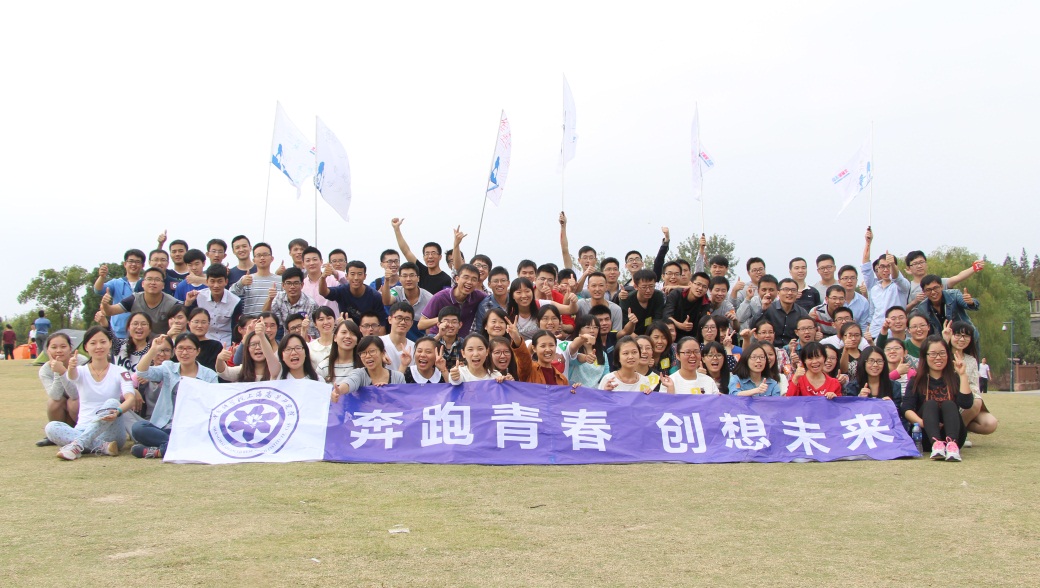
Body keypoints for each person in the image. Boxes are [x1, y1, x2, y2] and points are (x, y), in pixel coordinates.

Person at [43, 327, 136, 460]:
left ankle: (78, 444)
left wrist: (118, 411)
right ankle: (102, 447)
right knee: (51, 427)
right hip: (83, 428)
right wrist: (69, 368)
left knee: (112, 402)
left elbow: (130, 398)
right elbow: (72, 376)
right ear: (86, 347)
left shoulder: (120, 371)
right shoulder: (80, 370)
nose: (98, 347)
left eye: (103, 342)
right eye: (93, 343)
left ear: (110, 343)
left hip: (111, 432)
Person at [130, 333, 219, 458]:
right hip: (165, 426)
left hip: (193, 428)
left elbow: (213, 405)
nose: (184, 353)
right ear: (175, 351)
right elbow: (142, 372)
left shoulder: (209, 375)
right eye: (180, 348)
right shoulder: (168, 368)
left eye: (189, 348)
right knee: (138, 428)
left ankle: (158, 451)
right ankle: (178, 446)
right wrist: (153, 350)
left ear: (198, 351)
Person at [901, 336, 974, 461]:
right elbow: (906, 409)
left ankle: (952, 446)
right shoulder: (917, 381)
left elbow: (966, 403)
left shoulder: (954, 378)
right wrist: (924, 423)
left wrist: (962, 375)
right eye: (933, 354)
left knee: (949, 404)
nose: (938, 358)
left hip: (954, 433)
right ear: (925, 356)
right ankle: (937, 445)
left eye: (942, 353)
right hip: (926, 434)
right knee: (930, 404)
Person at [945, 321, 998, 446]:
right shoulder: (943, 356)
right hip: (947, 398)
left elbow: (974, 385)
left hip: (966, 399)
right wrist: (945, 341)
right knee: (975, 402)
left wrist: (968, 394)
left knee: (990, 423)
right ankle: (955, 437)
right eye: (958, 335)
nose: (962, 339)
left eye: (966, 336)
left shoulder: (971, 360)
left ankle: (961, 430)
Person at [36, 333, 87, 446]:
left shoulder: (81, 362)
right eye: (54, 347)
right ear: (48, 350)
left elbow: (75, 394)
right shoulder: (45, 370)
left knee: (74, 402)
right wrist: (57, 372)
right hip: (63, 407)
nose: (59, 350)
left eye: (63, 346)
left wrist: (62, 371)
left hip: (81, 404)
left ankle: (82, 432)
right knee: (53, 403)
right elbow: (55, 395)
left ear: (70, 348)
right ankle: (56, 435)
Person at [861, 227, 911, 338]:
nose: (885, 270)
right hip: (875, 333)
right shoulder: (874, 287)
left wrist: (892, 264)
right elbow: (865, 267)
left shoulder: (901, 286)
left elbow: (897, 278)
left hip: (894, 334)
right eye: (882, 267)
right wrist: (868, 243)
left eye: (888, 266)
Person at [103, 266, 181, 334]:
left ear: (163, 285)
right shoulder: (134, 299)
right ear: (143, 284)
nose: (153, 283)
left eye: (157, 280)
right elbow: (110, 311)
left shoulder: (172, 303)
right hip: (138, 342)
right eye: (149, 279)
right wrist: (105, 304)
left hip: (162, 342)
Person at [330, 336, 407, 401]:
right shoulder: (359, 374)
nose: (367, 356)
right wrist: (339, 391)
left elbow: (404, 401)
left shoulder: (398, 377)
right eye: (363, 353)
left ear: (383, 353)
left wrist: (389, 390)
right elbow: (350, 382)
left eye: (372, 351)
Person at [903, 250, 982, 313]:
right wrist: (914, 302)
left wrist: (974, 268)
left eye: (921, 262)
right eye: (915, 264)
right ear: (909, 268)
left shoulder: (938, 282)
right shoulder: (906, 287)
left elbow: (958, 277)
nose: (919, 266)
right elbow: (901, 312)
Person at [321, 261, 389, 333]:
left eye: (359, 274)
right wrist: (323, 277)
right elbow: (323, 292)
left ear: (365, 276)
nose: (356, 278)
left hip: (368, 334)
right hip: (346, 331)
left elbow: (382, 325)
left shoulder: (375, 296)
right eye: (352, 274)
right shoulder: (342, 290)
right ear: (346, 276)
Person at [391, 217, 453, 293]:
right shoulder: (420, 271)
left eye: (433, 253)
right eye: (427, 254)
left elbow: (447, 298)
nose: (430, 256)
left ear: (440, 257)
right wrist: (396, 229)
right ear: (423, 257)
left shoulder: (446, 279)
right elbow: (406, 251)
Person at [92, 249, 145, 338]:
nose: (133, 264)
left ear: (143, 265)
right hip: (118, 333)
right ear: (125, 264)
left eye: (137, 262)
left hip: (141, 333)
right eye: (130, 261)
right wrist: (101, 277)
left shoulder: (146, 284)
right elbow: (98, 290)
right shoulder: (116, 283)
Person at [187, 264, 242, 345]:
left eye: (220, 281)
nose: (216, 286)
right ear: (207, 281)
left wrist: (233, 347)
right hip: (203, 339)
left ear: (226, 282)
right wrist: (188, 303)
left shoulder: (235, 301)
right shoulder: (198, 297)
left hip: (226, 342)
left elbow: (235, 328)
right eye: (212, 281)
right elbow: (189, 320)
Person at [912, 275, 980, 337]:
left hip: (966, 336)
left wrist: (971, 302)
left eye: (935, 288)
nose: (933, 292)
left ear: (941, 287)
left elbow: (972, 305)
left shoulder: (954, 295)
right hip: (944, 340)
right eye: (928, 290)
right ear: (923, 291)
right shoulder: (922, 308)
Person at [382, 262, 433, 341]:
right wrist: (386, 280)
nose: (408, 279)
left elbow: (430, 329)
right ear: (399, 279)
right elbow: (386, 301)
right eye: (405, 276)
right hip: (399, 337)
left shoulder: (429, 298)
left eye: (412, 275)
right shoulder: (396, 291)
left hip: (420, 339)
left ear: (418, 278)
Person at [216, 319, 280, 382]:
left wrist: (262, 336)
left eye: (261, 344)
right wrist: (219, 359)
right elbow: (224, 373)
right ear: (247, 349)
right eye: (253, 344)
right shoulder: (242, 370)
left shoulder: (278, 369)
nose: (257, 348)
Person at [230, 242, 282, 316]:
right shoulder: (247, 279)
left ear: (272, 258)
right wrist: (241, 283)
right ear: (254, 260)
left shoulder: (281, 280)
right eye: (258, 255)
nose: (262, 258)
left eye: (265, 254)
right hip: (251, 321)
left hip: (273, 322)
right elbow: (231, 294)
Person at [764, 277, 809, 346]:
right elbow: (753, 326)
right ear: (778, 293)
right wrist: (763, 310)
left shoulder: (801, 312)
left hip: (794, 348)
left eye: (793, 290)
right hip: (770, 347)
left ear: (797, 293)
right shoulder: (769, 308)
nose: (790, 293)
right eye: (786, 289)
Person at [620, 269, 666, 336]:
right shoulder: (626, 300)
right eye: (644, 287)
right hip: (632, 335)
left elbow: (658, 319)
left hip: (652, 333)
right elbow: (624, 327)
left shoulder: (658, 296)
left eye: (651, 286)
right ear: (635, 286)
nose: (648, 290)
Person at [319, 320, 361, 384]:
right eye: (344, 332)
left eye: (353, 333)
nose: (348, 336)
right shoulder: (324, 366)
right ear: (335, 337)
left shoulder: (363, 365)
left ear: (357, 341)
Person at [380, 301, 416, 371]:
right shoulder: (378, 343)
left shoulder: (415, 348)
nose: (403, 322)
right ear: (390, 319)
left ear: (412, 323)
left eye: (407, 319)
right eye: (399, 318)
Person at [307, 306, 338, 372]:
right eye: (321, 319)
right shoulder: (310, 347)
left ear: (334, 320)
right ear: (315, 324)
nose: (326, 322)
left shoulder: (341, 343)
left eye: (329, 318)